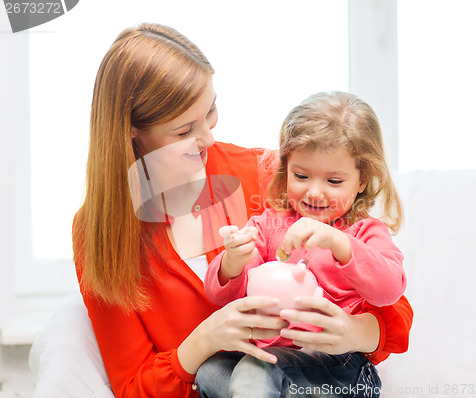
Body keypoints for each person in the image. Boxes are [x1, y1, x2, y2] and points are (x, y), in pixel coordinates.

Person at [72, 23, 413, 398]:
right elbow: (134, 386)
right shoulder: (100, 232)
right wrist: (203, 340)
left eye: (211, 111)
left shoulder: (266, 174)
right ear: (132, 130)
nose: (208, 138)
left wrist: (354, 331)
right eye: (184, 130)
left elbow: (391, 304)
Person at [201, 91, 406, 397]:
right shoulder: (268, 225)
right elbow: (219, 296)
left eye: (333, 181)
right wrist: (233, 261)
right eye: (301, 175)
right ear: (286, 169)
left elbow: (390, 289)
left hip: (340, 368)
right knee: (211, 372)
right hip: (272, 363)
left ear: (362, 180)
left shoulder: (364, 232)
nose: (314, 192)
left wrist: (340, 243)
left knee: (255, 373)